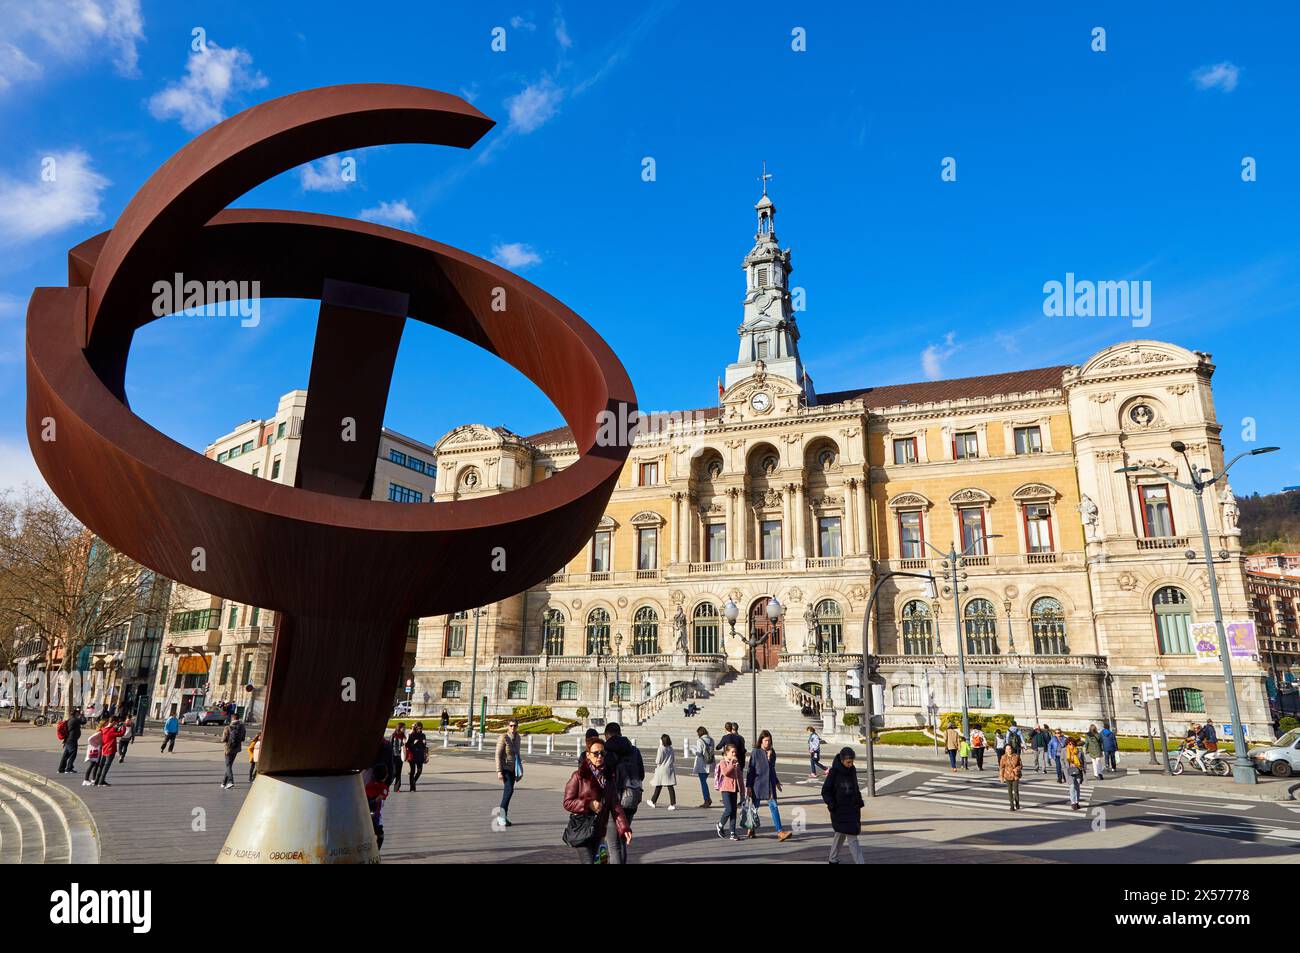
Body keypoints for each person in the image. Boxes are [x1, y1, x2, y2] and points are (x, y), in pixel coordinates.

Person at [562, 737, 632, 863]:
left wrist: (624, 828)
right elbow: (567, 802)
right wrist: (587, 804)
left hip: (598, 830)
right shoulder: (578, 776)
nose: (599, 756)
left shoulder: (608, 777)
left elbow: (615, 805)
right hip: (582, 828)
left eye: (602, 753)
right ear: (588, 755)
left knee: (598, 861)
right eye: (596, 753)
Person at [602, 722, 643, 864]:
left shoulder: (607, 750)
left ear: (606, 735)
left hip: (614, 800)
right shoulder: (634, 750)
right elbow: (641, 774)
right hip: (632, 798)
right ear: (620, 733)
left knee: (613, 845)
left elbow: (603, 774)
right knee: (623, 839)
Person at [821, 747, 865, 864]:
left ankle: (833, 858)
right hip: (839, 809)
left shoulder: (852, 770)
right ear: (842, 760)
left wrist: (859, 799)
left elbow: (855, 787)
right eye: (848, 762)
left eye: (852, 762)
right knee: (852, 837)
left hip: (852, 808)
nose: (850, 764)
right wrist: (831, 803)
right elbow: (825, 790)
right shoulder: (834, 772)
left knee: (840, 833)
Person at [746, 730, 791, 841]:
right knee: (755, 808)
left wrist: (776, 781)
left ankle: (780, 832)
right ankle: (751, 828)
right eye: (765, 740)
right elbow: (750, 770)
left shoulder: (772, 752)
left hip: (769, 785)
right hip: (758, 784)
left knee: (774, 807)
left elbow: (772, 769)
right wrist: (749, 786)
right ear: (761, 741)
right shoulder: (756, 752)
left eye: (769, 741)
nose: (767, 743)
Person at [495, 717, 523, 827]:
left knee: (509, 792)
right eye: (511, 725)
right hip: (505, 768)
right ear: (508, 726)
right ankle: (501, 816)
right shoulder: (503, 737)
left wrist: (520, 769)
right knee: (509, 790)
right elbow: (497, 755)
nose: (513, 727)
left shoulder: (518, 738)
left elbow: (518, 754)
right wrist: (499, 771)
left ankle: (504, 816)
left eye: (515, 725)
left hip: (513, 768)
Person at [714, 742, 744, 841]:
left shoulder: (736, 763)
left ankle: (732, 833)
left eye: (735, 752)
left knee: (734, 812)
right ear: (727, 753)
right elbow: (726, 772)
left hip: (734, 789)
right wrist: (731, 763)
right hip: (725, 789)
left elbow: (740, 778)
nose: (734, 754)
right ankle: (720, 824)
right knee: (729, 809)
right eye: (732, 752)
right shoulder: (723, 762)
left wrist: (742, 793)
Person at [648, 733, 678, 809]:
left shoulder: (661, 748)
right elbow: (673, 759)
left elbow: (658, 760)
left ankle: (653, 801)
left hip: (662, 769)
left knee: (658, 785)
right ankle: (672, 803)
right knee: (670, 786)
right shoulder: (670, 748)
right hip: (669, 768)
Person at [366, 761, 391, 851]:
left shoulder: (368, 786)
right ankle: (376, 852)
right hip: (375, 816)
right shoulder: (384, 788)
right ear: (385, 776)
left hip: (365, 814)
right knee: (380, 835)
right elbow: (383, 796)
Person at [56, 708, 87, 774]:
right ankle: (69, 768)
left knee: (66, 755)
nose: (78, 713)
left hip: (68, 740)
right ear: (75, 713)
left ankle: (61, 769)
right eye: (78, 712)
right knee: (73, 753)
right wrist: (82, 715)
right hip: (72, 740)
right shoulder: (75, 720)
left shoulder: (70, 719)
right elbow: (84, 721)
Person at [220, 714, 246, 790]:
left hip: (228, 749)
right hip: (236, 749)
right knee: (229, 765)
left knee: (228, 765)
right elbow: (243, 738)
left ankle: (230, 782)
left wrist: (222, 740)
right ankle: (224, 782)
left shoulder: (227, 727)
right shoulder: (242, 727)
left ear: (232, 718)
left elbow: (224, 739)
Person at [95, 719, 124, 786]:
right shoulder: (112, 730)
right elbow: (121, 733)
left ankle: (96, 780)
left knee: (101, 766)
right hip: (110, 750)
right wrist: (123, 727)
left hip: (104, 749)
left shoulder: (104, 729)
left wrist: (117, 727)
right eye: (116, 722)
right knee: (106, 766)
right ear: (114, 722)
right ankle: (101, 781)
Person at [692, 725, 715, 807]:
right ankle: (708, 799)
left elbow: (699, 753)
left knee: (703, 783)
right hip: (710, 763)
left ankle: (707, 800)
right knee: (704, 781)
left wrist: (693, 750)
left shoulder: (700, 740)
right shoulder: (711, 740)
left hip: (702, 765)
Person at [999, 742, 1023, 811]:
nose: (1009, 750)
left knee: (1015, 790)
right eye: (1007, 749)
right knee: (1009, 791)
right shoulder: (1003, 757)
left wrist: (1017, 768)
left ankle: (1017, 802)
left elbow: (1021, 765)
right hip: (1007, 775)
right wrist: (1001, 777)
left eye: (1010, 749)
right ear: (1005, 750)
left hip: (1015, 775)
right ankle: (1011, 805)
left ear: (1012, 749)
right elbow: (1001, 767)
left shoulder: (1016, 756)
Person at [1064, 735, 1086, 810]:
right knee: (1072, 786)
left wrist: (1083, 768)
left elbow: (1083, 761)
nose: (1071, 745)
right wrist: (1065, 768)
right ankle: (1073, 803)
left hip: (1078, 770)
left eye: (1073, 743)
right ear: (1067, 744)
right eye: (1069, 744)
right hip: (1069, 771)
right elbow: (1062, 760)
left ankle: (1077, 802)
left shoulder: (1079, 751)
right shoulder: (1064, 751)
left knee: (1077, 786)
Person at [405, 722, 427, 791]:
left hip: (420, 756)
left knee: (419, 771)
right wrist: (413, 743)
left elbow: (424, 746)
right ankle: (412, 787)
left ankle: (413, 782)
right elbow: (407, 745)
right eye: (418, 728)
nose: (420, 730)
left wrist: (424, 743)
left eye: (421, 728)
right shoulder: (412, 735)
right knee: (412, 771)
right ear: (415, 728)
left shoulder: (423, 735)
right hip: (412, 755)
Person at [389, 723, 407, 792]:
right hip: (393, 756)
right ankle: (387, 784)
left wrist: (405, 742)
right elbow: (389, 746)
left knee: (399, 772)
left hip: (400, 756)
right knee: (394, 772)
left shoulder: (403, 736)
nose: (404, 729)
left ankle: (397, 788)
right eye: (403, 728)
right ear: (399, 728)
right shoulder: (393, 736)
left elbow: (405, 747)